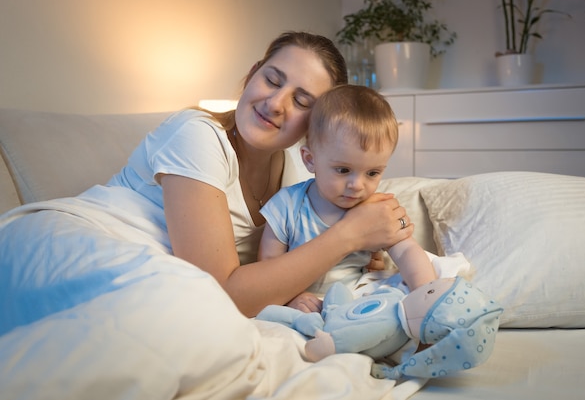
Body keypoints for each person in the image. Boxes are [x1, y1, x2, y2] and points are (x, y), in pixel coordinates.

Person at [0, 31, 415, 328]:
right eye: (271, 79)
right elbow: (222, 292)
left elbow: (289, 261)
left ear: (318, 124)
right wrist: (348, 238)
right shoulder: (197, 134)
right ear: (253, 73)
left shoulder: (298, 171)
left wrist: (358, 251)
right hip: (72, 244)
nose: (275, 103)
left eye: (301, 100)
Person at [258, 85, 437, 313]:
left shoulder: (376, 209)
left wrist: (426, 293)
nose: (357, 185)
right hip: (308, 301)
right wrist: (293, 298)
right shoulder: (286, 206)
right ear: (310, 159)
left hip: (360, 298)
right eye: (343, 170)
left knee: (435, 270)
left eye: (372, 173)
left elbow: (407, 252)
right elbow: (268, 269)